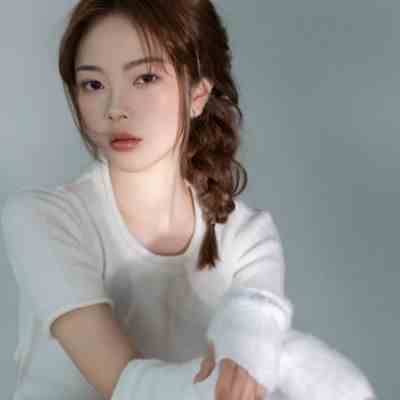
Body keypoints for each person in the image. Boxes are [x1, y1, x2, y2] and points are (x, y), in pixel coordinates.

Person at [1, 1, 376, 400]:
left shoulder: (247, 238)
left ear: (198, 93)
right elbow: (129, 388)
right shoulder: (42, 220)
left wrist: (260, 354)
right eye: (93, 84)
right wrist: (279, 357)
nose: (115, 109)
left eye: (145, 78)